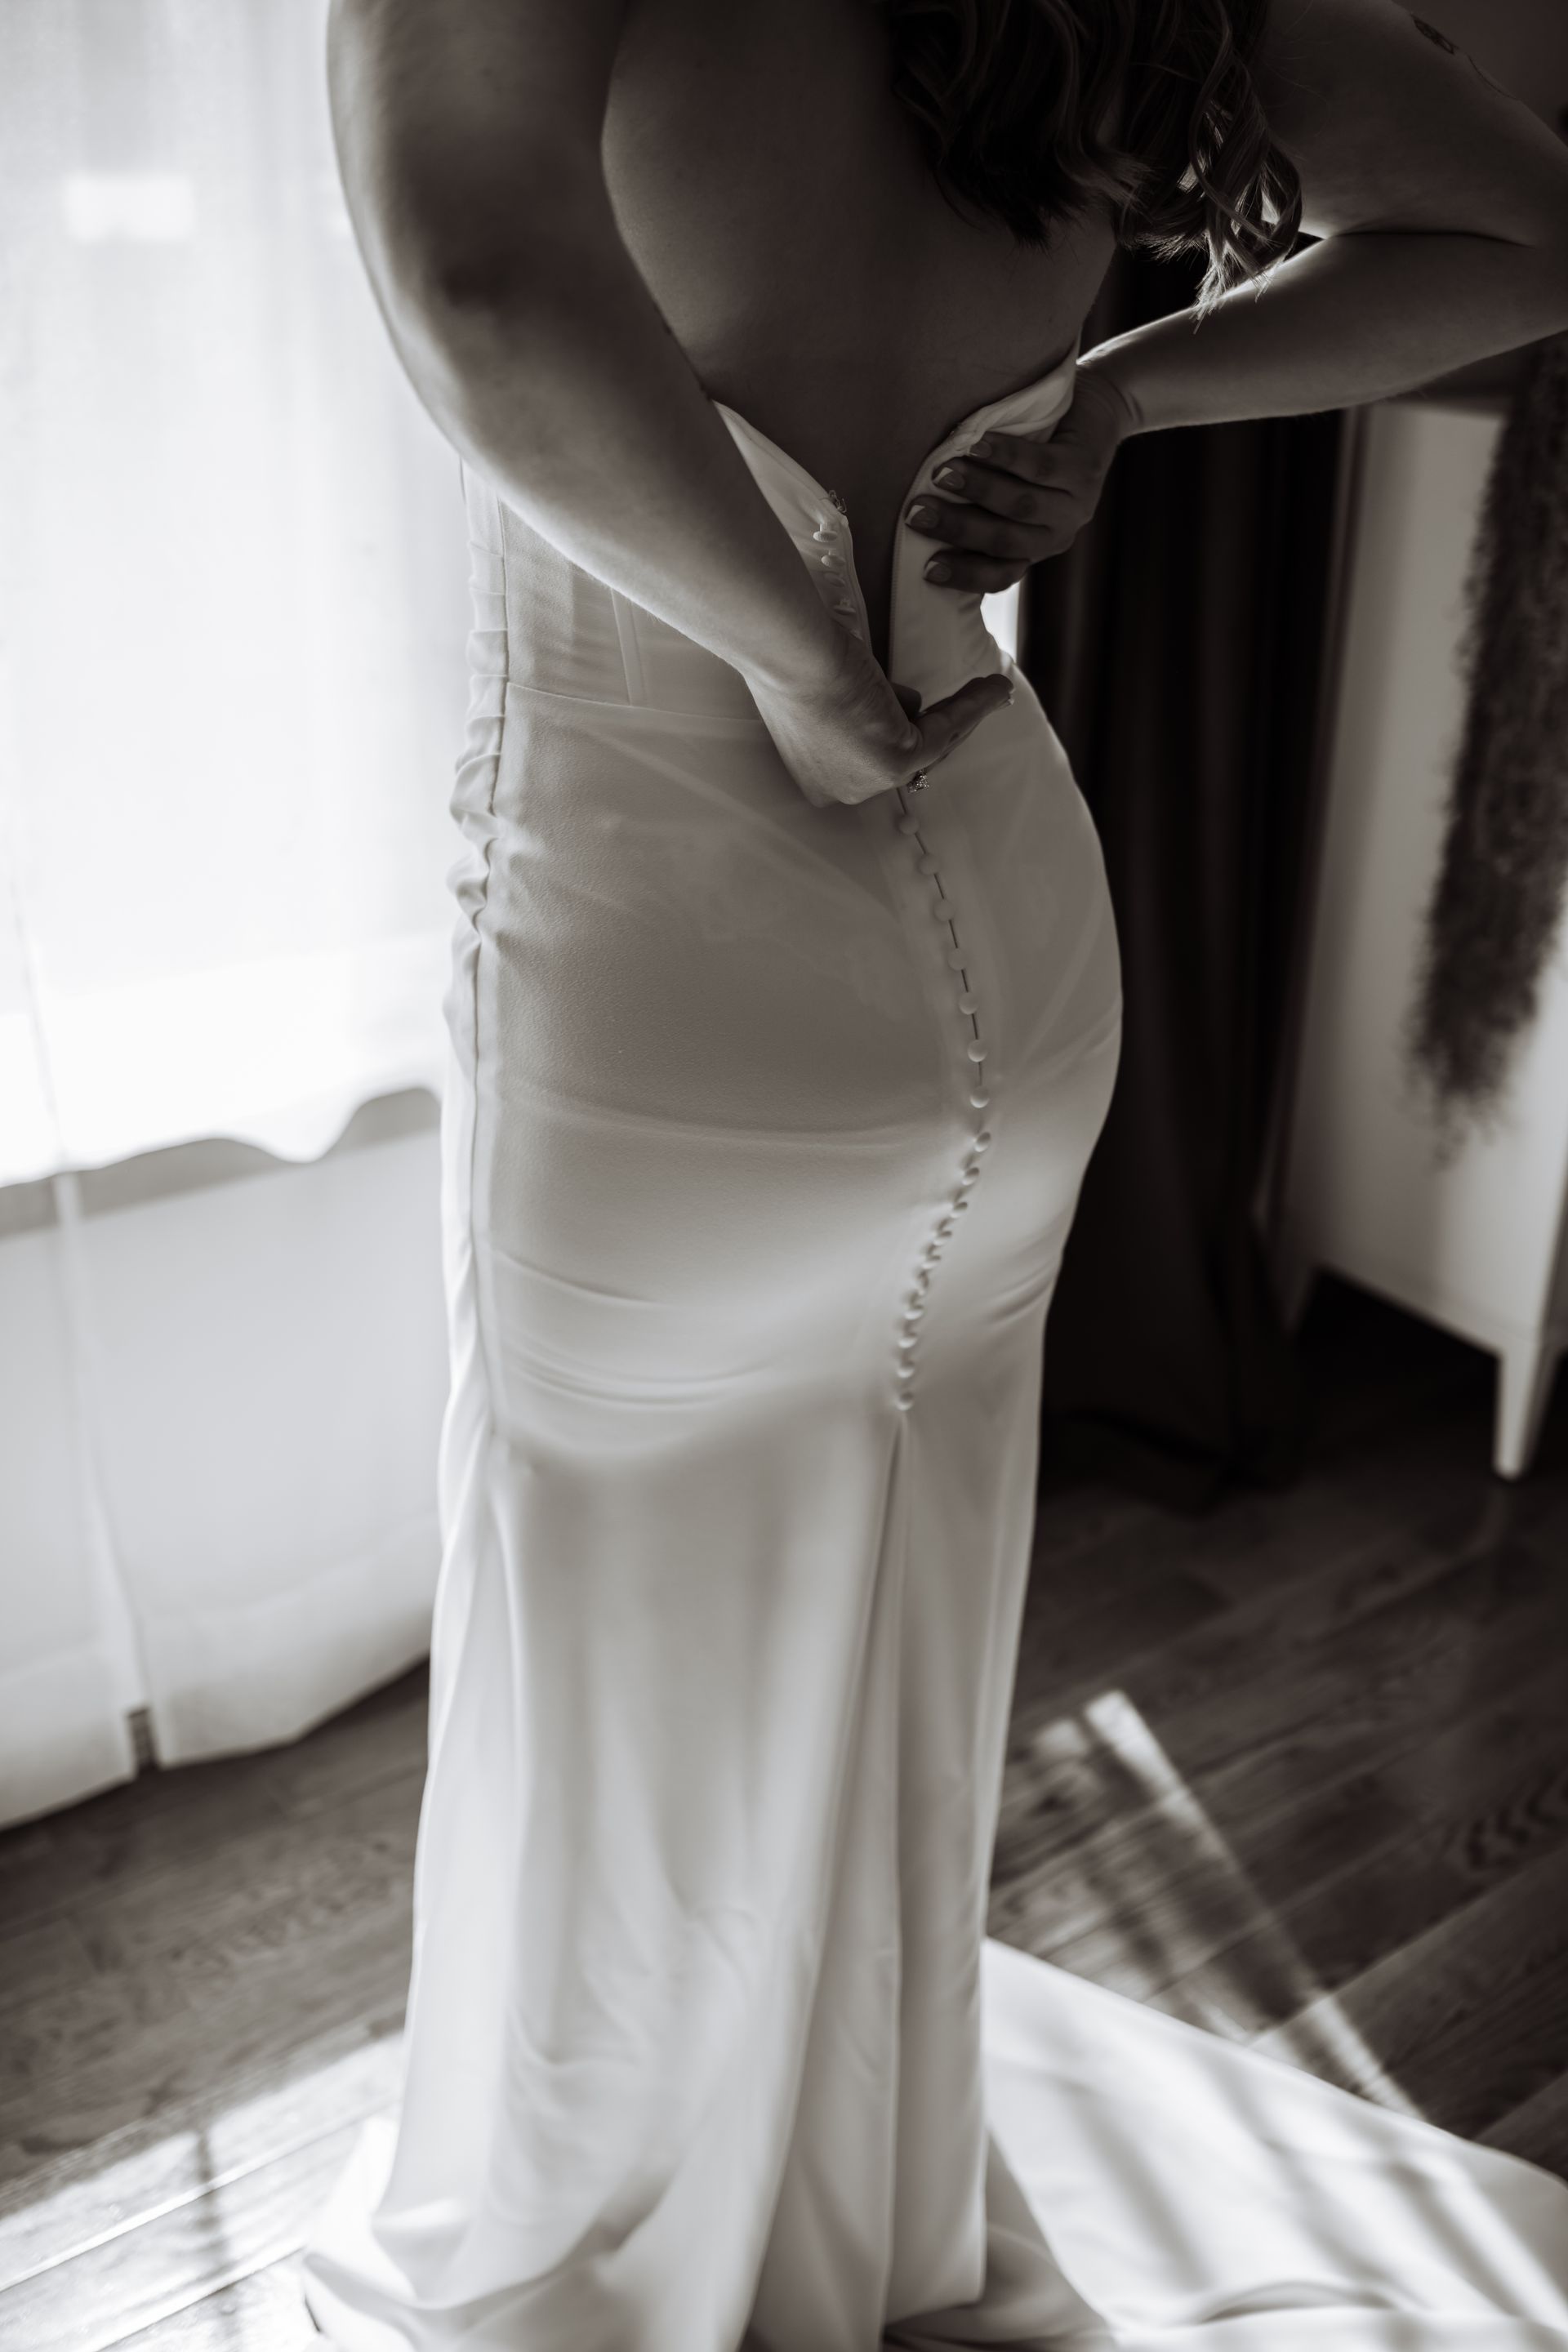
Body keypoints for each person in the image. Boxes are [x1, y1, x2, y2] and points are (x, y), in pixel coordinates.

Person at [301, 5, 1568, 2346]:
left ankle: (628, 2247)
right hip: (1008, 901)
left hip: (668, 935)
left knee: (613, 1647)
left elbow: (480, 270)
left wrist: (793, 657)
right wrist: (1118, 398)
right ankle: (861, 2209)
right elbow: (1529, 231)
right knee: (908, 1610)